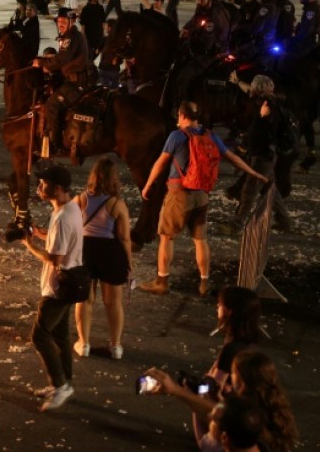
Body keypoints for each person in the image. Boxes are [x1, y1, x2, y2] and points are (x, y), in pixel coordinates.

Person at [139, 101, 268, 296]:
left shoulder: (177, 136)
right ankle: (204, 284)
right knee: (200, 240)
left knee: (166, 237)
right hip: (202, 195)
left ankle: (162, 281)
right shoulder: (210, 135)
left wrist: (148, 185)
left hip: (179, 195)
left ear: (181, 116)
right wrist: (253, 173)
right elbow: (232, 157)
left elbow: (161, 162)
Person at [143, 286, 264, 451]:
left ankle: (208, 442)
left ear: (229, 312)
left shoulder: (232, 350)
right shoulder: (249, 344)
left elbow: (210, 393)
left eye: (220, 304)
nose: (217, 307)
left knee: (200, 397)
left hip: (236, 422)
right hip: (247, 422)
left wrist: (187, 390)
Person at [17, 165, 83, 412]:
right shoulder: (70, 209)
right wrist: (38, 233)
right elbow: (58, 240)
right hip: (70, 282)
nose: (39, 188)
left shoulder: (64, 217)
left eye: (43, 184)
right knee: (61, 335)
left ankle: (60, 386)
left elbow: (54, 258)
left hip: (57, 286)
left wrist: (28, 245)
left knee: (40, 335)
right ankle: (65, 381)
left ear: (57, 188)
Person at [72, 157, 131, 360]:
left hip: (85, 250)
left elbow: (67, 219)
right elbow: (124, 237)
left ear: (93, 176)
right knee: (113, 303)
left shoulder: (81, 199)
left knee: (85, 300)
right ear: (114, 179)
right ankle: (116, 346)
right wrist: (128, 264)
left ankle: (84, 343)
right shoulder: (117, 204)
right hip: (110, 252)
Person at [219, 74, 292, 233]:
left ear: (258, 89)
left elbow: (265, 130)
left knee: (249, 191)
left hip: (262, 157)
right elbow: (248, 91)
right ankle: (284, 221)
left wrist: (261, 117)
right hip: (264, 156)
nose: (250, 89)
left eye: (253, 86)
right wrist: (238, 82)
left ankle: (235, 226)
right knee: (270, 189)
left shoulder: (268, 107)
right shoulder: (263, 101)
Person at [33, 7, 90, 152]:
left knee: (52, 104)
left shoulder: (71, 37)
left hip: (76, 83)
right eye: (59, 21)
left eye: (64, 21)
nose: (61, 24)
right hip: (73, 79)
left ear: (72, 21)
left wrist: (42, 63)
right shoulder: (70, 36)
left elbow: (63, 59)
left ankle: (56, 144)